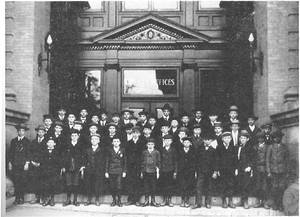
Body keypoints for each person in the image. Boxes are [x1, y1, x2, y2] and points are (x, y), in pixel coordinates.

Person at [192, 132, 217, 209]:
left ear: (211, 141)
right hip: (201, 171)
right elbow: (196, 161)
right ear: (203, 140)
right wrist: (196, 171)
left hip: (210, 172)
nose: (207, 141)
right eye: (205, 140)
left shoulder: (213, 150)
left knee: (209, 187)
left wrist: (215, 172)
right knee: (198, 187)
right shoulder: (200, 149)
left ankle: (208, 203)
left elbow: (216, 161)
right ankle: (198, 203)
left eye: (209, 140)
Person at [266, 130, 289, 211]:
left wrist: (287, 171)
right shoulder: (270, 147)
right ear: (273, 139)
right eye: (275, 138)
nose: (277, 139)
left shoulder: (284, 147)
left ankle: (280, 204)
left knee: (282, 187)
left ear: (281, 138)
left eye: (278, 137)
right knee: (274, 187)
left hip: (282, 171)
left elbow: (287, 160)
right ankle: (275, 203)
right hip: (273, 171)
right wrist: (268, 171)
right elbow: (267, 160)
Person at [8, 123, 30, 205]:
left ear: (25, 132)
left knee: (22, 180)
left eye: (23, 130)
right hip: (15, 164)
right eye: (19, 130)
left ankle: (21, 197)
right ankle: (17, 198)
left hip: (23, 164)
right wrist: (10, 163)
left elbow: (28, 154)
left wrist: (27, 163)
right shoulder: (13, 141)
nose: (21, 132)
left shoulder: (27, 141)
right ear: (17, 131)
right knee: (16, 181)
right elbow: (11, 153)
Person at [61, 129, 85, 206]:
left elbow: (84, 156)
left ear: (78, 136)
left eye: (75, 135)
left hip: (77, 167)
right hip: (68, 166)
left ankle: (75, 200)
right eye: (72, 135)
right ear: (70, 136)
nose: (74, 137)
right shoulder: (66, 144)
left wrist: (82, 166)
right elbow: (63, 156)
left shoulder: (81, 145)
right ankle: (68, 200)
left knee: (75, 184)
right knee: (68, 184)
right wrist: (63, 166)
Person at [215, 131, 237, 208]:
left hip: (231, 169)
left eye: (228, 138)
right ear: (222, 139)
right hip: (222, 170)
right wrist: (217, 170)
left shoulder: (233, 148)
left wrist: (235, 168)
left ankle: (230, 200)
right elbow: (217, 159)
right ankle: (224, 200)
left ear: (231, 139)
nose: (227, 139)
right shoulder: (219, 147)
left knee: (230, 184)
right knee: (223, 184)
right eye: (225, 138)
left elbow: (235, 159)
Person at [83, 134, 106, 206]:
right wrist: (84, 166)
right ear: (90, 141)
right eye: (92, 139)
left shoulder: (102, 150)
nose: (94, 141)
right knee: (89, 184)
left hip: (98, 170)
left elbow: (104, 161)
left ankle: (97, 199)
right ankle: (89, 199)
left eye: (96, 139)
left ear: (99, 141)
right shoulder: (87, 150)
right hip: (89, 170)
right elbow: (84, 159)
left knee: (97, 185)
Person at [105, 136, 127, 207]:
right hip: (111, 171)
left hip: (119, 171)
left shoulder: (123, 150)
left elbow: (125, 161)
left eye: (117, 141)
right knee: (112, 186)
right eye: (114, 141)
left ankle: (119, 200)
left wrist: (124, 171)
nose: (116, 143)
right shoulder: (109, 150)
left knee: (119, 186)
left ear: (120, 142)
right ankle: (114, 200)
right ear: (112, 142)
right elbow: (107, 161)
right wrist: (106, 171)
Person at [40, 137, 62, 206]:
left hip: (54, 171)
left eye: (52, 142)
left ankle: (52, 199)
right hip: (45, 171)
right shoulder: (43, 151)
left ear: (54, 144)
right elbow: (42, 161)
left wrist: (56, 170)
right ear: (46, 143)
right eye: (49, 142)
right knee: (46, 185)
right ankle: (46, 199)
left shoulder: (57, 152)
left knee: (52, 184)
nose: (50, 144)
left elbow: (58, 162)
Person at [125, 127, 144, 206]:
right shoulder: (128, 143)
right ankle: (130, 199)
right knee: (130, 182)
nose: (135, 134)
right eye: (133, 133)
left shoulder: (142, 142)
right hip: (130, 165)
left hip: (138, 166)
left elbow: (143, 155)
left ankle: (137, 199)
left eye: (136, 133)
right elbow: (126, 155)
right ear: (131, 134)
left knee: (137, 182)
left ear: (139, 134)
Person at [28, 125, 46, 204]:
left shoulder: (47, 142)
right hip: (34, 164)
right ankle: (36, 197)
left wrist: (40, 163)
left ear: (44, 133)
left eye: (42, 132)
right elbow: (30, 152)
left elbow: (46, 155)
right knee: (35, 181)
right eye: (39, 131)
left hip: (42, 165)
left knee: (42, 181)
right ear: (37, 132)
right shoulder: (33, 142)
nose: (40, 133)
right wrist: (32, 161)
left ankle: (42, 197)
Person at [140, 138, 161, 207]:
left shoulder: (157, 152)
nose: (150, 145)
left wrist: (158, 172)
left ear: (154, 145)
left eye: (152, 144)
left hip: (153, 171)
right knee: (146, 186)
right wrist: (142, 172)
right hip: (146, 171)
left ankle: (153, 201)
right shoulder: (144, 152)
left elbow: (159, 162)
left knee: (153, 187)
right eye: (149, 144)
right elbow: (142, 162)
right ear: (146, 145)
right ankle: (146, 201)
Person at [158, 134, 177, 207]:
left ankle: (169, 200)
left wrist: (175, 171)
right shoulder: (161, 149)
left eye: (169, 140)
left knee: (170, 185)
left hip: (171, 170)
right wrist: (159, 170)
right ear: (164, 141)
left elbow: (175, 161)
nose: (167, 142)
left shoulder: (173, 150)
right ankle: (164, 199)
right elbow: (159, 161)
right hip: (163, 170)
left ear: (171, 141)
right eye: (166, 140)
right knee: (164, 185)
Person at [236, 131, 254, 209]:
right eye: (241, 138)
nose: (242, 139)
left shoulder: (250, 147)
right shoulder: (238, 147)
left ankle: (245, 201)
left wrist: (250, 166)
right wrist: (236, 168)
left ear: (247, 139)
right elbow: (236, 158)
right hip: (239, 168)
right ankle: (242, 200)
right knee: (240, 183)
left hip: (246, 168)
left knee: (246, 184)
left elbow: (253, 158)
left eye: (244, 138)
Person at [177, 137, 196, 208]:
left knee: (188, 185)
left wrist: (193, 170)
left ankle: (187, 200)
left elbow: (195, 161)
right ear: (182, 143)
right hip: (181, 170)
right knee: (182, 185)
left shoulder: (193, 151)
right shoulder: (179, 150)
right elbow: (177, 160)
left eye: (188, 142)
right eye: (185, 142)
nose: (186, 144)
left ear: (190, 143)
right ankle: (182, 200)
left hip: (190, 171)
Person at [252, 131, 269, 208]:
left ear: (264, 139)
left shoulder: (268, 147)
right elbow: (253, 158)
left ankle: (265, 201)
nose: (260, 140)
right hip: (257, 168)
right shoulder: (255, 147)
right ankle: (258, 201)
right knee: (257, 185)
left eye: (262, 138)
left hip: (265, 168)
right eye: (259, 138)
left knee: (265, 185)